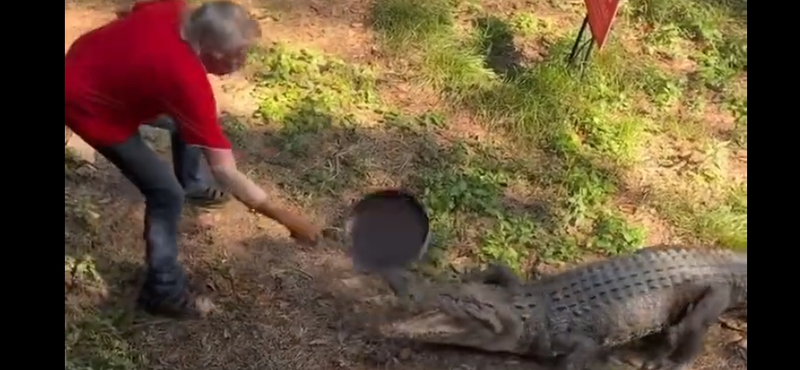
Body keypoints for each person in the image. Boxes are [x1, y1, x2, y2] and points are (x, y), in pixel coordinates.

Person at [65, 0, 323, 318]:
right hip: (86, 103)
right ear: (211, 50)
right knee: (164, 193)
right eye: (236, 55)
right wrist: (286, 218)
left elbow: (134, 7)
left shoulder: (175, 9)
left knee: (190, 122)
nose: (241, 62)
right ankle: (164, 291)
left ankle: (192, 183)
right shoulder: (185, 80)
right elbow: (226, 172)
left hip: (87, 60)